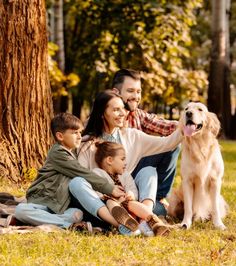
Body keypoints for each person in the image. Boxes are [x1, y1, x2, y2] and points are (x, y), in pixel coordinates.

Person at [76, 90, 182, 231]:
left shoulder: (132, 136)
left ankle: (146, 219)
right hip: (104, 201)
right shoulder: (86, 144)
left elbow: (167, 144)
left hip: (129, 194)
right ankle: (127, 221)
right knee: (78, 183)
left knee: (148, 171)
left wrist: (184, 128)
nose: (122, 114)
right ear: (102, 113)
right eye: (116, 110)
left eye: (122, 109)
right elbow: (83, 177)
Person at [15, 113, 125, 231]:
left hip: (61, 205)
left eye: (80, 132)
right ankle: (68, 225)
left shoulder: (72, 151)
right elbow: (82, 172)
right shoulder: (58, 153)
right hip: (43, 202)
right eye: (74, 133)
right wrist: (110, 188)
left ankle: (65, 222)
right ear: (60, 136)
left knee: (77, 213)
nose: (79, 136)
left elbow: (88, 139)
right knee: (21, 210)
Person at [111, 69, 180, 215]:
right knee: (160, 211)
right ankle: (150, 209)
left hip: (137, 170)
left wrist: (189, 124)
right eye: (130, 91)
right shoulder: (102, 116)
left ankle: (158, 197)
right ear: (116, 92)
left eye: (138, 92)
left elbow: (165, 125)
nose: (136, 96)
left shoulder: (138, 115)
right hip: (115, 176)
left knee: (172, 145)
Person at [93, 141, 174, 236]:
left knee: (132, 203)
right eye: (122, 159)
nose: (125, 163)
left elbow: (132, 188)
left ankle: (153, 222)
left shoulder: (125, 175)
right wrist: (114, 198)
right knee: (111, 203)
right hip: (111, 207)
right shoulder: (97, 173)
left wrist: (131, 195)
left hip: (128, 206)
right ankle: (132, 224)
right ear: (110, 160)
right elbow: (96, 192)